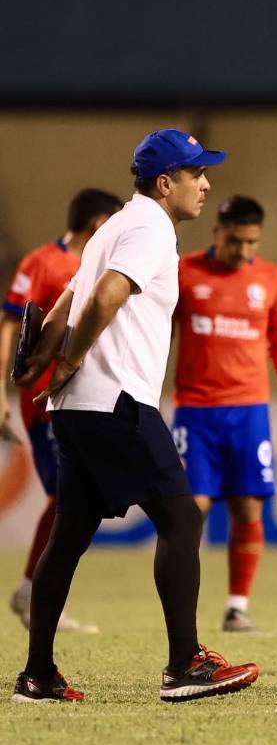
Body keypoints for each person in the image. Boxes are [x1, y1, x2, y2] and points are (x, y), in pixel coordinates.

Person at [11, 129, 259, 703]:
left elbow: (67, 300)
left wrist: (42, 365)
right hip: (115, 399)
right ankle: (185, 665)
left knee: (69, 534)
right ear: (165, 182)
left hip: (75, 409)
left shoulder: (115, 227)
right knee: (182, 520)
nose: (207, 183)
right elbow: (101, 299)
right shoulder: (150, 227)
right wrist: (70, 358)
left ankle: (39, 673)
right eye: (197, 174)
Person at [170, 195, 277, 633]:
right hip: (195, 411)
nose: (244, 251)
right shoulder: (185, 273)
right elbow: (158, 333)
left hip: (250, 410)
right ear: (217, 232)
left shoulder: (271, 279)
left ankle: (236, 606)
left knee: (248, 507)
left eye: (252, 243)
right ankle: (180, 606)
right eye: (236, 241)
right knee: (190, 511)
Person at [2, 189, 121, 634]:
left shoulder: (94, 266)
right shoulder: (43, 263)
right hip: (45, 402)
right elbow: (12, 322)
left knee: (78, 497)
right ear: (96, 225)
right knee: (68, 496)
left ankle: (37, 592)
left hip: (81, 396)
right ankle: (33, 593)